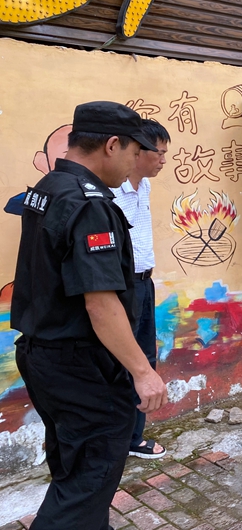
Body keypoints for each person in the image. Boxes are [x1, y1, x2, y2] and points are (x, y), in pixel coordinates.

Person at [12, 101, 168, 530]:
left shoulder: (49, 186)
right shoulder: (89, 202)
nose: (136, 161)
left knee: (76, 465)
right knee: (89, 475)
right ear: (112, 145)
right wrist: (142, 371)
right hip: (79, 363)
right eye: (134, 152)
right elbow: (99, 303)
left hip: (43, 355)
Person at [110, 119, 171, 459]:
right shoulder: (111, 191)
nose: (163, 160)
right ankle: (118, 439)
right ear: (136, 152)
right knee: (122, 362)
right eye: (158, 153)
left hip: (143, 282)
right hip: (120, 287)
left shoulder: (143, 186)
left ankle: (133, 438)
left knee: (146, 358)